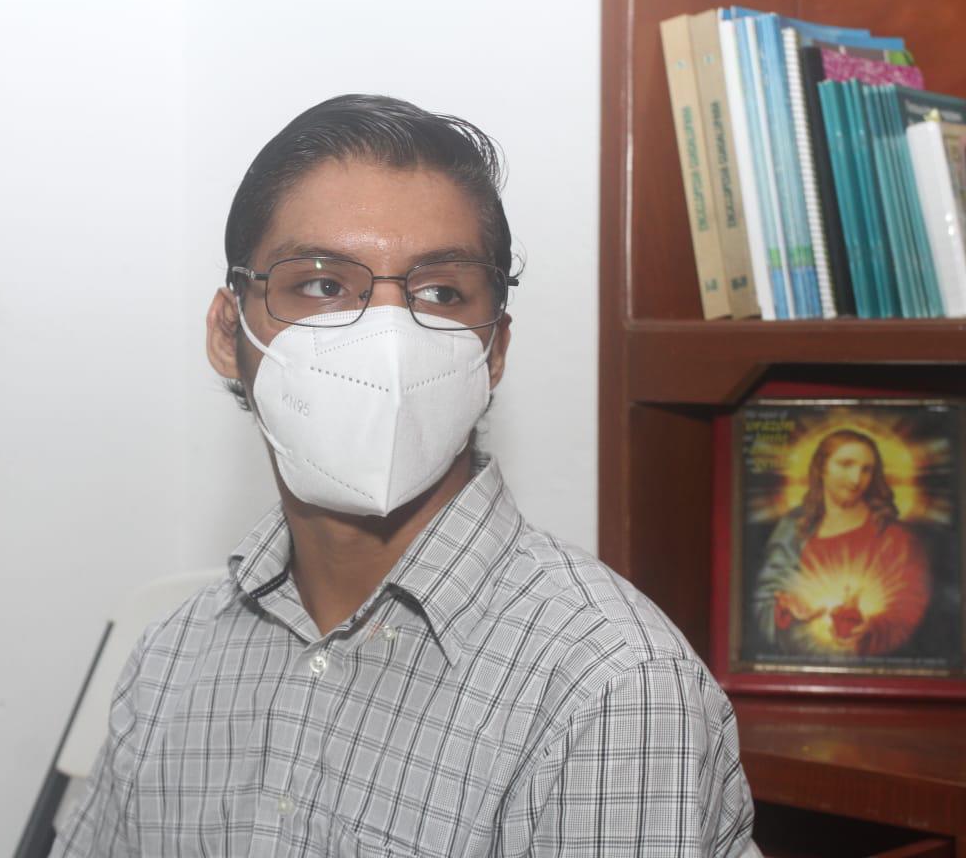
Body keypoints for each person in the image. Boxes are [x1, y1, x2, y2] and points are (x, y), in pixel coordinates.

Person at [51, 95, 755, 857]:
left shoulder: (611, 686)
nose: (386, 334)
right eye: (322, 285)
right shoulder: (174, 655)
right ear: (230, 331)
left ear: (493, 351)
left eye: (439, 292)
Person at [755, 428, 930, 658]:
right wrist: (786, 609)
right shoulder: (793, 528)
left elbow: (909, 610)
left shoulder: (895, 538)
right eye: (846, 465)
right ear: (822, 468)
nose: (856, 479)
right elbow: (765, 600)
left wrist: (871, 628)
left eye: (866, 470)